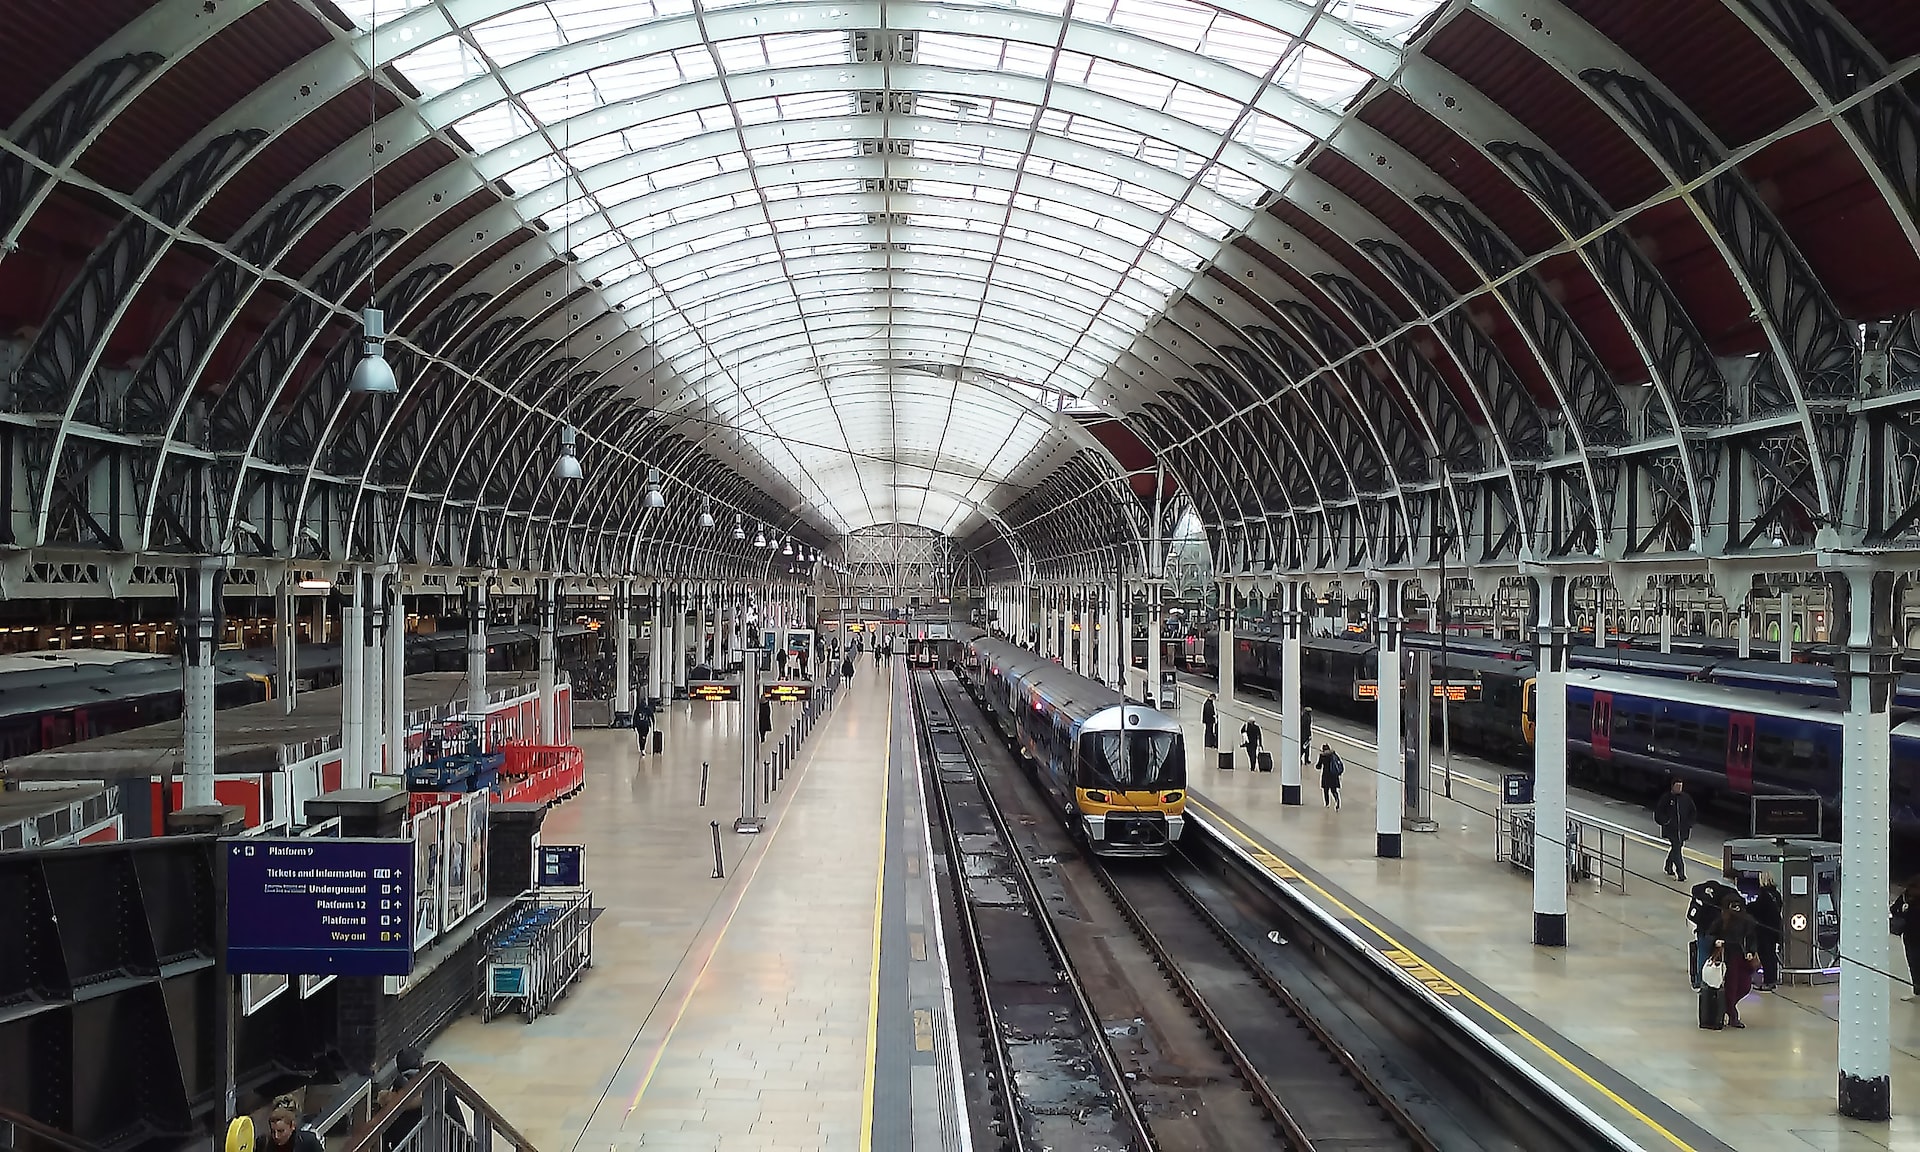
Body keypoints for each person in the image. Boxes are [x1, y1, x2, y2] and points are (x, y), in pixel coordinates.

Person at [1715, 892, 1760, 1028]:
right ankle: (1732, 1014)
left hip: (1744, 958)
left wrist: (1751, 951)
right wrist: (1718, 942)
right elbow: (1711, 933)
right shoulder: (1722, 920)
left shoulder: (1748, 920)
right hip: (1729, 958)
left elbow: (1752, 937)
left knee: (1745, 986)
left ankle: (1727, 1008)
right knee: (1731, 987)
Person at [1687, 878, 1728, 990]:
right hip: (1719, 932)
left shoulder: (1699, 895)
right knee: (1719, 956)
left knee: (1703, 956)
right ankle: (1718, 981)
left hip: (1703, 931)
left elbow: (1692, 915)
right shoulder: (1724, 895)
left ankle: (1700, 981)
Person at [1653, 779, 1697, 882]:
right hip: (1671, 830)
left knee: (1676, 848)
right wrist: (1666, 822)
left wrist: (1689, 823)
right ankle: (1681, 873)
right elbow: (1659, 812)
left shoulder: (1686, 798)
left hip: (1683, 829)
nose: (1679, 789)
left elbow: (1693, 811)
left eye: (1680, 787)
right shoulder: (1666, 798)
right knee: (1677, 850)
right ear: (1672, 786)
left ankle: (1668, 866)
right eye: (1677, 786)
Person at [1752, 873, 1783, 990]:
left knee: (1765, 956)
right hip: (1775, 929)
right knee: (1771, 955)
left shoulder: (1763, 895)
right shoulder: (1776, 894)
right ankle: (1772, 980)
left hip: (1764, 930)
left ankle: (1768, 981)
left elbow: (1757, 910)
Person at [1893, 880, 1920, 1000]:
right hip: (1910, 937)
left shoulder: (1907, 897)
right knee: (1914, 964)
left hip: (1910, 936)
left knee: (1914, 964)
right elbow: (1894, 909)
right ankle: (1917, 990)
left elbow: (1894, 909)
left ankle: (1916, 990)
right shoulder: (1905, 897)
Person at [1315, 743, 1344, 808]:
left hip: (1326, 775)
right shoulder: (1334, 754)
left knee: (1326, 790)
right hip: (1334, 775)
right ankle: (1337, 800)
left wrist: (1316, 766)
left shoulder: (1322, 756)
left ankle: (1327, 804)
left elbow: (1318, 766)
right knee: (1334, 790)